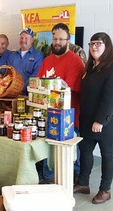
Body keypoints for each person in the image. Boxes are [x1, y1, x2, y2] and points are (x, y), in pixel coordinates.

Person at [74, 32, 113, 204]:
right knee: (85, 151)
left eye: (98, 43)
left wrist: (100, 121)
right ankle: (83, 183)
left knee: (107, 155)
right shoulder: (91, 66)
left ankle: (105, 190)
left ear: (107, 46)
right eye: (91, 44)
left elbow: (111, 98)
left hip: (106, 123)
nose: (94, 47)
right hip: (88, 120)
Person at [36, 23, 85, 183]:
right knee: (49, 147)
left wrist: (57, 85)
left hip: (68, 117)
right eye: (55, 38)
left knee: (70, 150)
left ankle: (73, 178)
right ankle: (49, 177)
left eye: (61, 39)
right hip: (47, 114)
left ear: (68, 41)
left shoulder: (75, 61)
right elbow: (39, 84)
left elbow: (70, 90)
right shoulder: (47, 60)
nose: (57, 42)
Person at [8, 27, 43, 94]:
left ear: (32, 40)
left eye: (26, 38)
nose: (23, 40)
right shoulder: (12, 56)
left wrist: (21, 88)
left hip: (29, 94)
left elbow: (36, 75)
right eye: (21, 38)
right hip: (13, 93)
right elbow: (9, 74)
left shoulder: (38, 55)